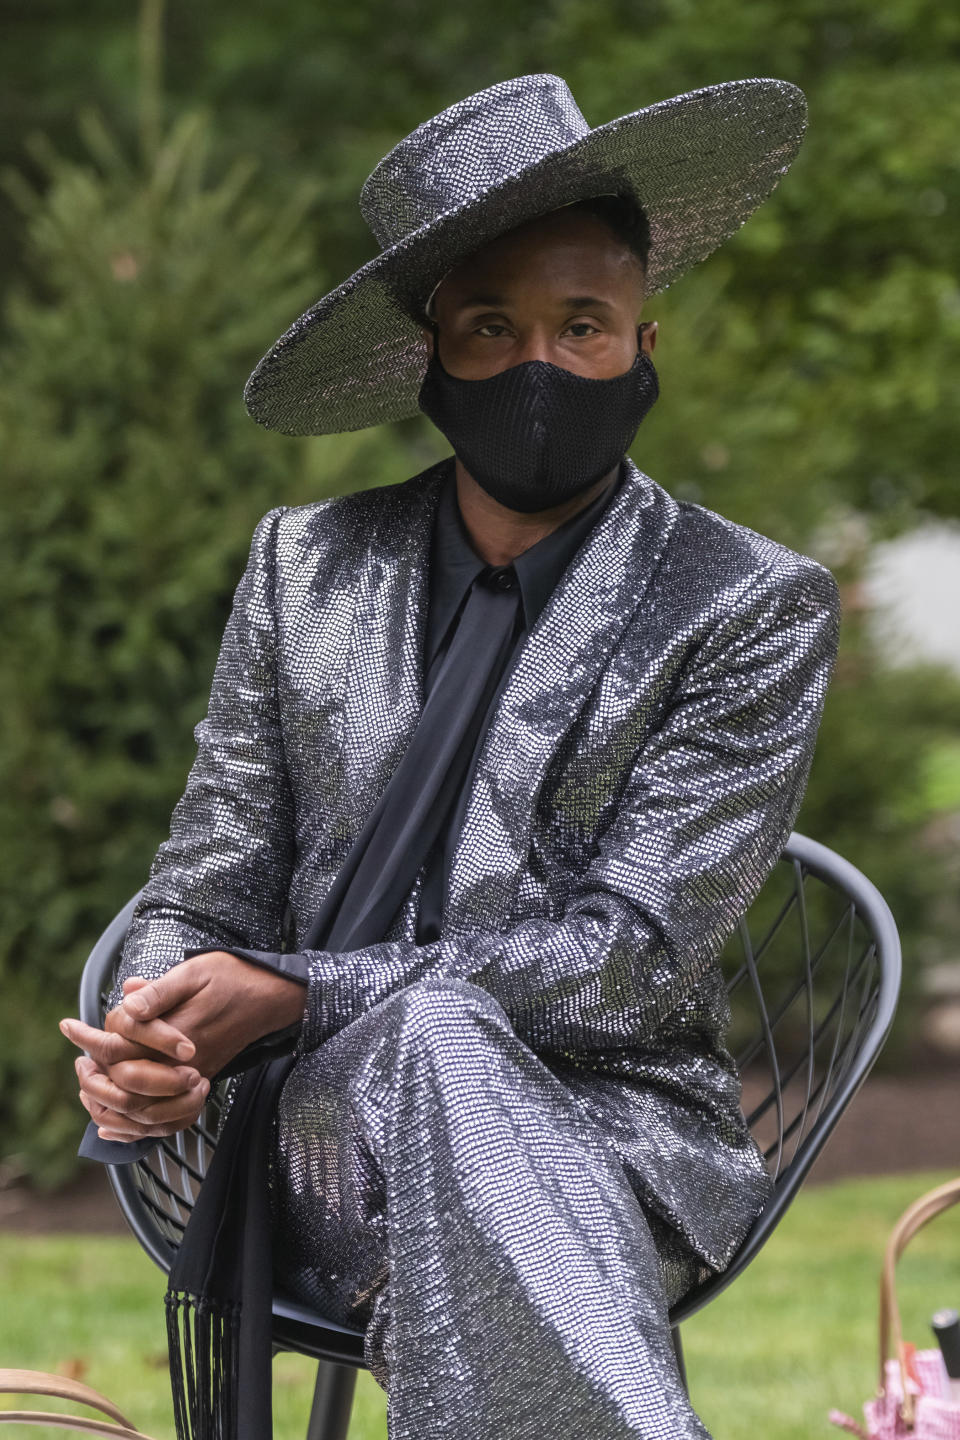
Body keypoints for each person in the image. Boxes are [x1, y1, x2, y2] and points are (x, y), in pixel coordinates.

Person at [59, 74, 840, 1440]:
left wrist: (300, 988)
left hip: (617, 1138)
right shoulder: (306, 567)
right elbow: (204, 883)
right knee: (419, 1036)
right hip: (316, 1140)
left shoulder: (746, 602)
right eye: (492, 326)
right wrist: (151, 1027)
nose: (540, 363)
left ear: (644, 345)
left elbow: (631, 960)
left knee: (433, 1034)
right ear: (430, 355)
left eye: (581, 325)